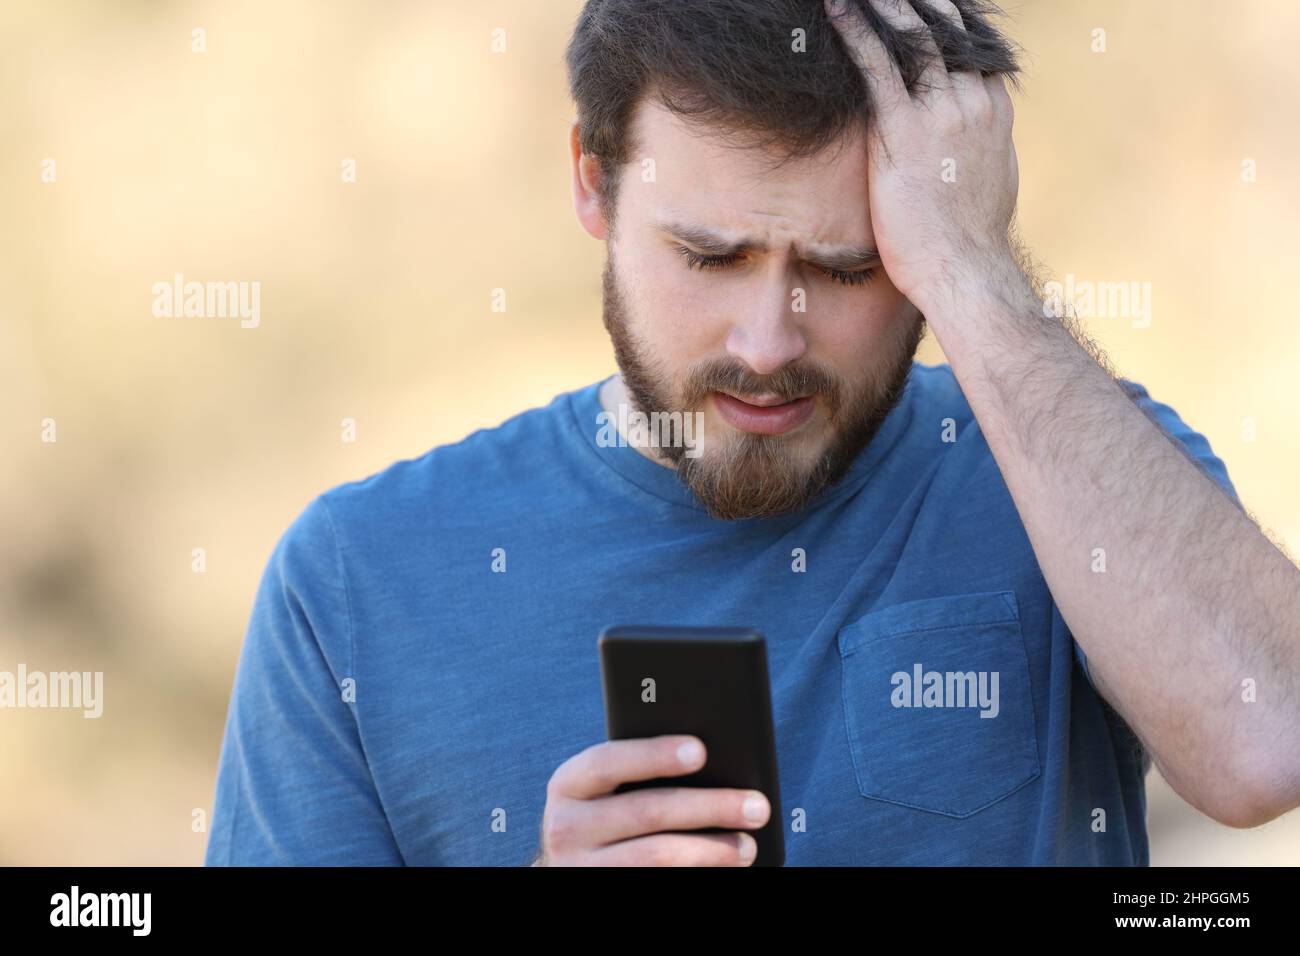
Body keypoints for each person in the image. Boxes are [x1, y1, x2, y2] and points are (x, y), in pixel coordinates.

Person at [204, 0, 1300, 866]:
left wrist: (977, 276)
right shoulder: (352, 578)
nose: (770, 342)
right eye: (710, 255)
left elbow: (1269, 744)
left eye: (846, 266)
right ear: (593, 180)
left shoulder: (1071, 474)